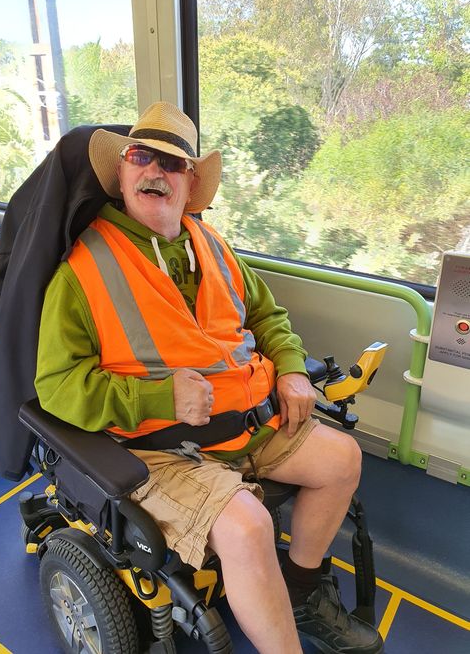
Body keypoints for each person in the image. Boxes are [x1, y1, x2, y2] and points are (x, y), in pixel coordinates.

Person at [35, 101, 384, 654]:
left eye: (172, 164)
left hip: (246, 424)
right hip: (155, 447)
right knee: (248, 528)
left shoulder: (212, 246)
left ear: (190, 182)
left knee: (343, 459)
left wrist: (292, 372)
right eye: (141, 156)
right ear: (121, 172)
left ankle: (298, 592)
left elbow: (267, 317)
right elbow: (56, 388)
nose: (155, 170)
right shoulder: (81, 272)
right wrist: (159, 395)